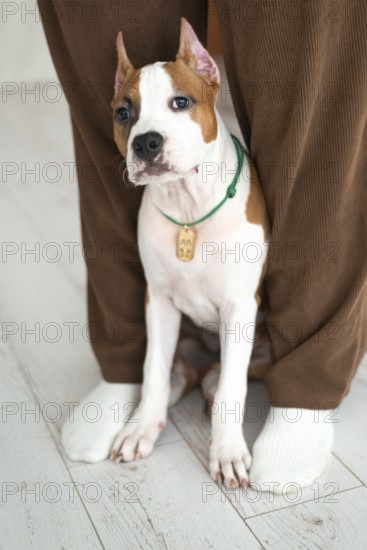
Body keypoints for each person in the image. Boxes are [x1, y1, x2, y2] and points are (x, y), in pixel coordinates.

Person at [38, 0, 367, 490]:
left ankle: (301, 383)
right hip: (173, 254)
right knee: (101, 15)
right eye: (129, 114)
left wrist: (226, 430)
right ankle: (150, 383)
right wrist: (151, 409)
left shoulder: (238, 201)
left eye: (178, 103)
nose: (146, 136)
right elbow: (163, 297)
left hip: (239, 281)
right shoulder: (154, 200)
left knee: (304, 47)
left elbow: (238, 308)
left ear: (207, 76)